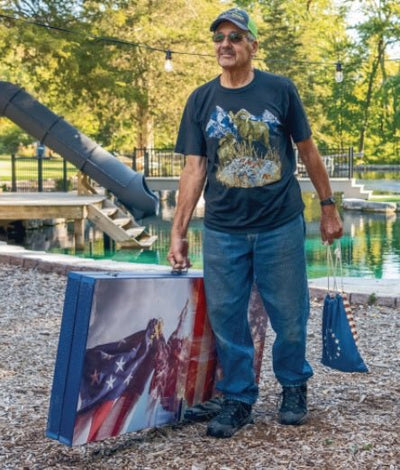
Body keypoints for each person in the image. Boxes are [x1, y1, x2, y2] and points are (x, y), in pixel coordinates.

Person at [168, 7, 343, 439]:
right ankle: (239, 398)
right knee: (227, 318)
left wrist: (328, 205)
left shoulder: (279, 90)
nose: (224, 44)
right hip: (223, 229)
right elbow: (194, 169)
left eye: (234, 37)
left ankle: (292, 386)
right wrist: (178, 230)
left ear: (252, 45)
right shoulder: (201, 99)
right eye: (219, 38)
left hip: (279, 224)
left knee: (289, 313)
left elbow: (308, 151)